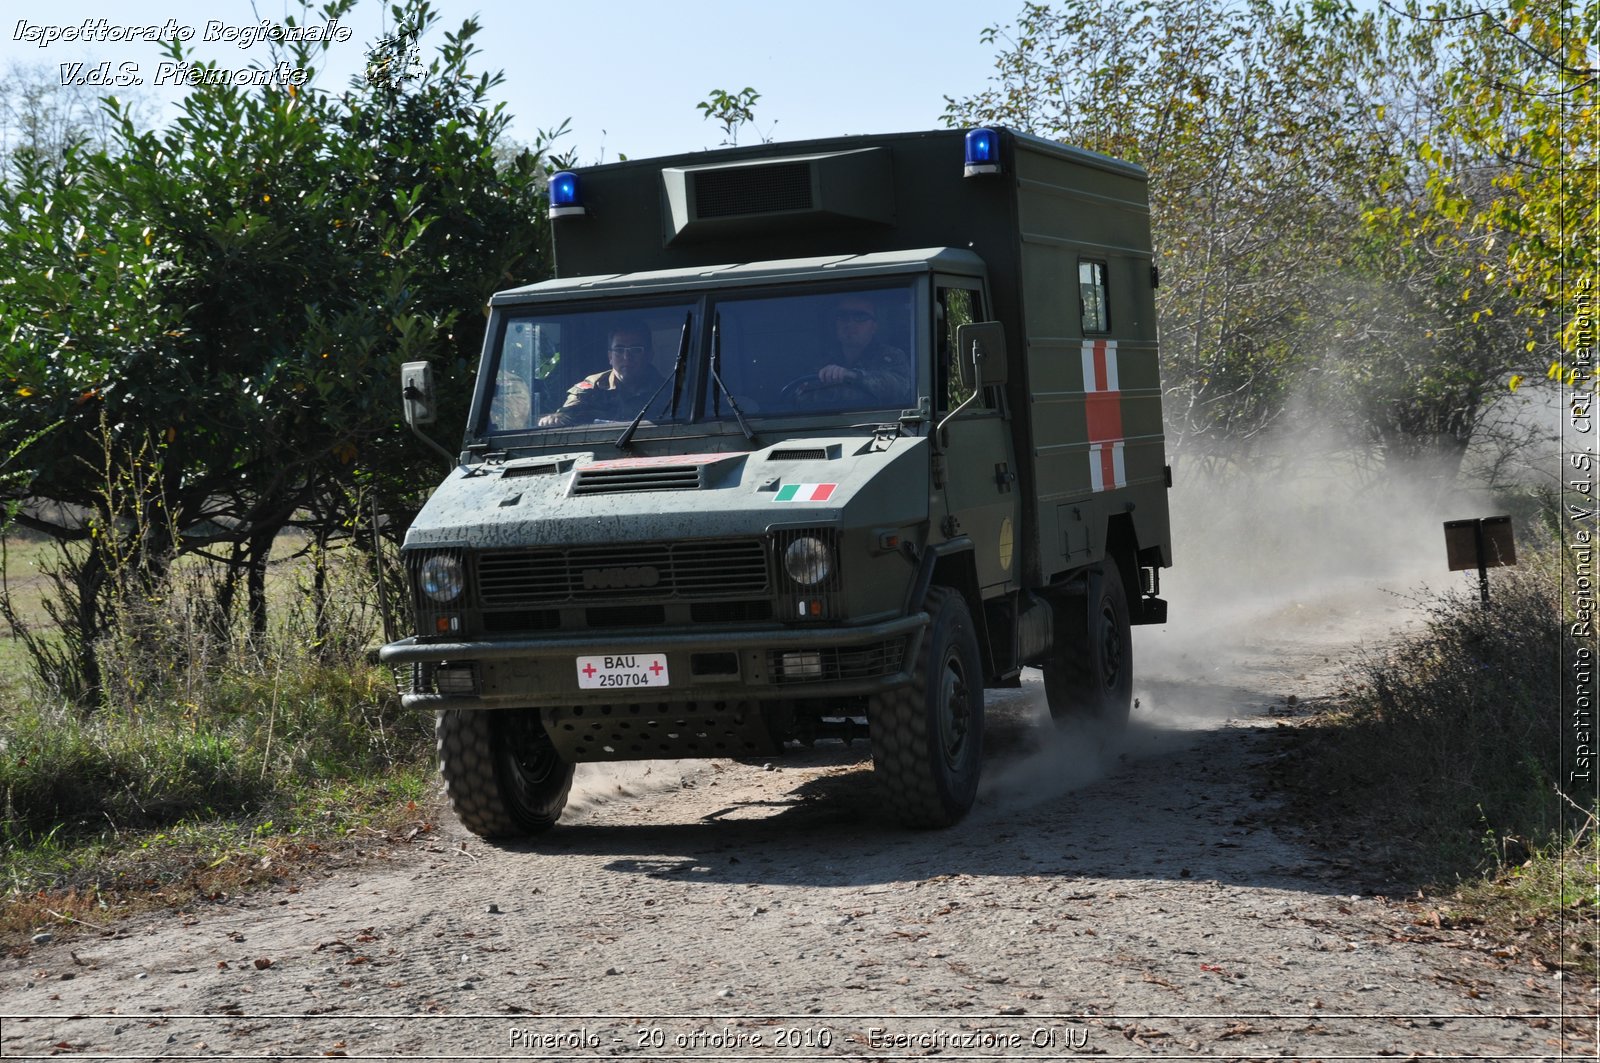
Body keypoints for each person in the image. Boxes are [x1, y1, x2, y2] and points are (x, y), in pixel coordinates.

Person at [538, 325, 663, 426]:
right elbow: (567, 413)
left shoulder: (667, 391)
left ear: (649, 355)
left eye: (636, 350)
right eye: (619, 350)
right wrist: (555, 418)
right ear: (610, 357)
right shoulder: (593, 386)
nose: (626, 357)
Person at [810, 295, 912, 403]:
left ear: (874, 327)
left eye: (860, 317)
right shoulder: (824, 361)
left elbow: (898, 388)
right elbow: (801, 397)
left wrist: (852, 375)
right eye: (843, 316)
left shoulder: (891, 356)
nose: (850, 323)